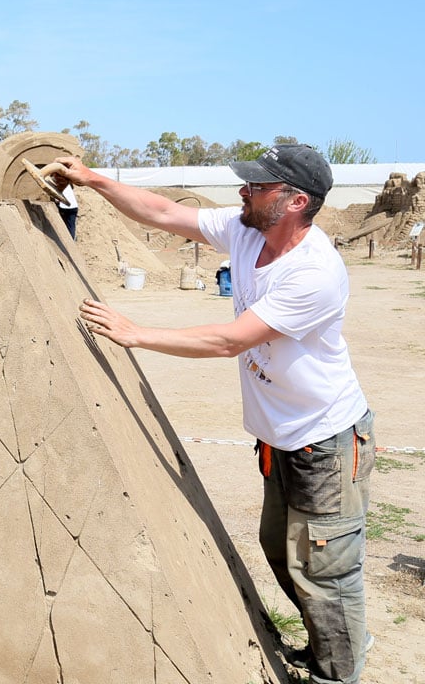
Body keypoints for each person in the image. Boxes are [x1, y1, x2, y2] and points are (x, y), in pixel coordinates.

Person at [44, 144, 374, 684]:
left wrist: (136, 334)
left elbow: (230, 340)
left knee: (326, 571)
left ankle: (337, 673)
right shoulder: (248, 230)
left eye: (258, 186)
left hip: (327, 441)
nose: (244, 192)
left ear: (295, 201)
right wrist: (92, 179)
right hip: (282, 437)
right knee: (281, 551)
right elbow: (166, 213)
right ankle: (334, 646)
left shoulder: (314, 272)